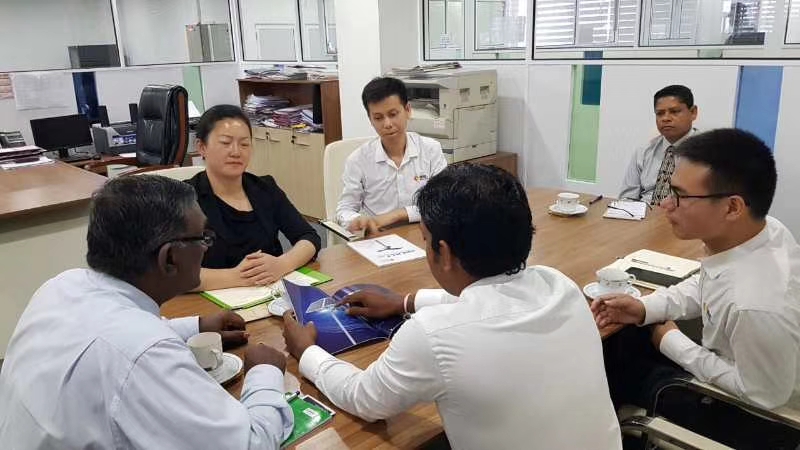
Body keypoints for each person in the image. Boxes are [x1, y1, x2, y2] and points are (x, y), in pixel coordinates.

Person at [287, 164, 622, 449]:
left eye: (425, 240)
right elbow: (490, 303)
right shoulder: (559, 285)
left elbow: (364, 399)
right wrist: (405, 301)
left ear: (444, 253)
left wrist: (307, 353)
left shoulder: (431, 335)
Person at [0, 175, 293, 448]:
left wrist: (197, 326)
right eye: (203, 237)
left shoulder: (61, 285)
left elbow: (117, 333)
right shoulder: (145, 354)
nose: (206, 247)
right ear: (170, 258)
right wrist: (264, 371)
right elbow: (249, 443)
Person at [595, 129, 800, 448]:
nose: (666, 204)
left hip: (751, 417)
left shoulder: (755, 303)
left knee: (611, 364)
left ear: (732, 207)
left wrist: (671, 341)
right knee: (629, 334)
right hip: (745, 369)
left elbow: (763, 397)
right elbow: (708, 282)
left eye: (680, 195)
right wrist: (646, 307)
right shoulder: (763, 232)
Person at [186, 105, 321, 291]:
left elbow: (309, 237)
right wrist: (237, 277)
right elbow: (171, 271)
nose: (236, 152)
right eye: (225, 143)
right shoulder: (184, 199)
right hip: (209, 301)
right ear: (202, 147)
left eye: (244, 144)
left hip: (270, 294)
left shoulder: (265, 188)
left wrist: (283, 264)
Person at [335, 77, 448, 235]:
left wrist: (397, 215)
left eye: (393, 114)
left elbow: (442, 202)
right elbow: (344, 209)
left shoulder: (430, 150)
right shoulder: (358, 160)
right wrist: (356, 219)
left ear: (407, 110)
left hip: (423, 234)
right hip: (378, 236)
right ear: (370, 119)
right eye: (378, 118)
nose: (387, 124)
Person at [619, 85, 698, 205]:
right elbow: (627, 199)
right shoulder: (643, 152)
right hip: (643, 213)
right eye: (660, 113)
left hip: (685, 214)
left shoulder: (709, 154)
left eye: (674, 112)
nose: (665, 118)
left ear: (693, 112)